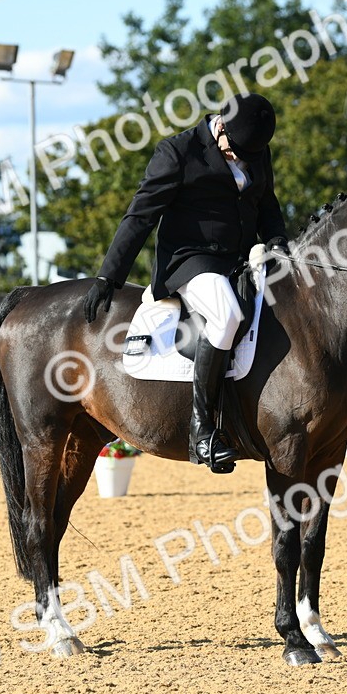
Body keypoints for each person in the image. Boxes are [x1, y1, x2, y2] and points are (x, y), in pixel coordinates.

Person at [83, 92, 290, 473]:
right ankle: (202, 429)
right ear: (220, 127)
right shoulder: (178, 152)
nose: (241, 160)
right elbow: (140, 216)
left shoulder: (255, 149)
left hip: (241, 260)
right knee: (226, 316)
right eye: (235, 152)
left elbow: (267, 204)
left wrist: (277, 238)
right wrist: (109, 275)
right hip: (191, 260)